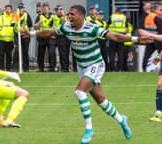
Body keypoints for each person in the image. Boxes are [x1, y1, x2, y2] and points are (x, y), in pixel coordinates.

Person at [24, 5, 151, 143]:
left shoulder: (92, 28)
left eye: (72, 14)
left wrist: (136, 40)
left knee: (79, 92)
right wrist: (31, 33)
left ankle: (89, 130)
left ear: (81, 16)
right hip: (82, 67)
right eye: (69, 14)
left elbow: (113, 36)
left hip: (95, 64)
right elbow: (50, 32)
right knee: (101, 100)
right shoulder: (66, 27)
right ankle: (122, 120)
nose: (69, 16)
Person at [142, 3, 162, 72]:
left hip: (149, 39)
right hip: (157, 39)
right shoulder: (156, 17)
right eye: (160, 10)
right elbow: (160, 29)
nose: (161, 11)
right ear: (155, 10)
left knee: (146, 56)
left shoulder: (148, 17)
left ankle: (144, 69)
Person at [34, 2, 54, 72]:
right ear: (42, 9)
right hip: (41, 37)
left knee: (51, 53)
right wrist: (38, 24)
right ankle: (40, 68)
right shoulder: (39, 16)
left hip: (50, 37)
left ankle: (52, 68)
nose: (45, 9)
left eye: (46, 8)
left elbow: (54, 26)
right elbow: (35, 27)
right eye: (44, 8)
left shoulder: (53, 16)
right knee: (40, 54)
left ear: (49, 8)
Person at [13, 2, 33, 72]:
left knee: (25, 51)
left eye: (21, 8)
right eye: (19, 8)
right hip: (17, 34)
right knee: (17, 50)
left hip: (25, 35)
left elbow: (30, 25)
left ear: (24, 9)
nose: (20, 9)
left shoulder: (26, 15)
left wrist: (25, 30)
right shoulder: (15, 15)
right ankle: (15, 67)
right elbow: (12, 24)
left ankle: (26, 68)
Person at [50, 5, 70, 72]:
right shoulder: (53, 17)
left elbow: (67, 24)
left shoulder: (65, 17)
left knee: (63, 53)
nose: (56, 11)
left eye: (57, 10)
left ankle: (64, 68)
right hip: (54, 36)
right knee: (52, 52)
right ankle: (52, 68)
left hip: (62, 37)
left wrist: (64, 16)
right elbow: (49, 25)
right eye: (56, 10)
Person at [0, 4, 15, 71]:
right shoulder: (1, 17)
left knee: (9, 56)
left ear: (11, 10)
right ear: (5, 9)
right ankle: (1, 69)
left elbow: (17, 25)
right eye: (7, 9)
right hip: (1, 40)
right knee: (1, 55)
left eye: (9, 9)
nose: (8, 10)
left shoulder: (14, 16)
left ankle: (8, 69)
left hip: (10, 40)